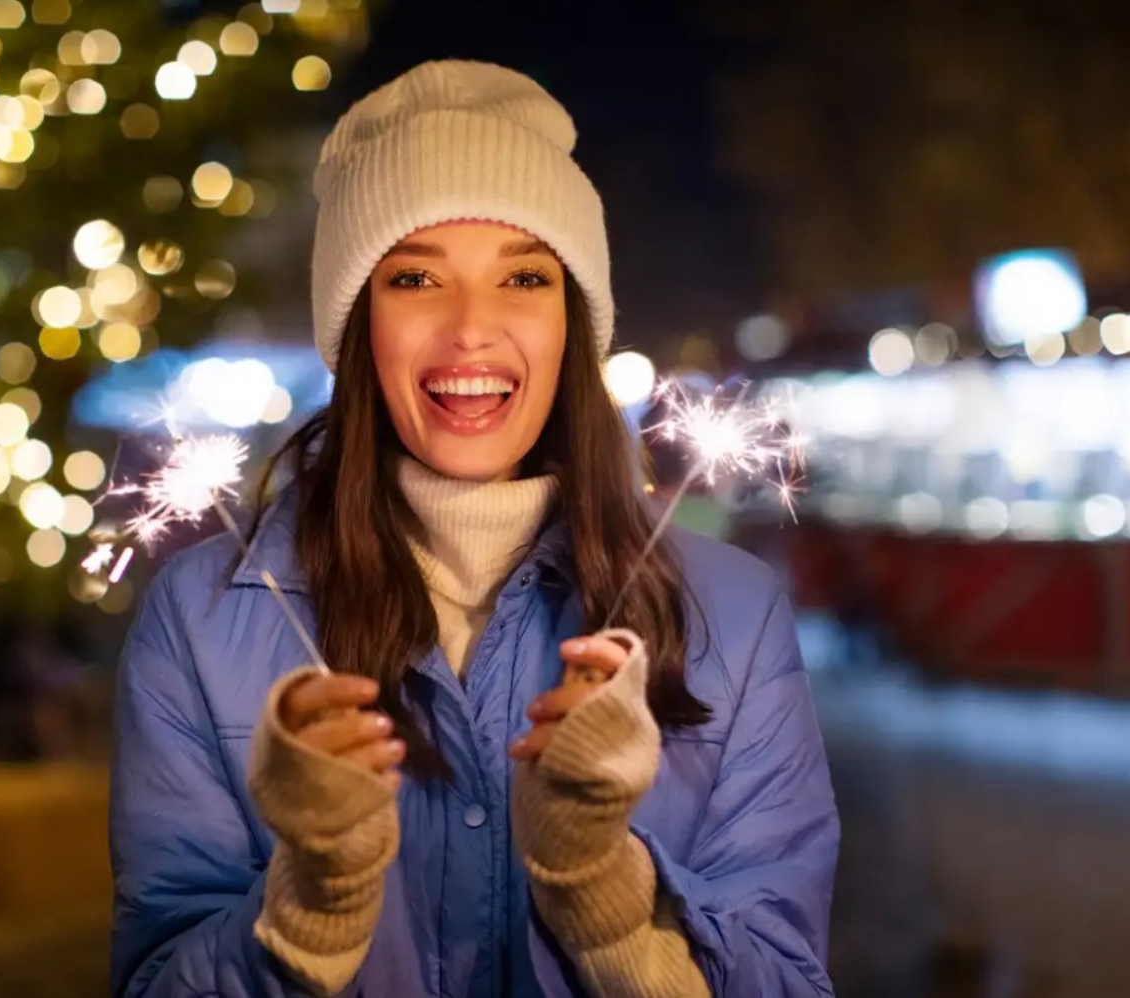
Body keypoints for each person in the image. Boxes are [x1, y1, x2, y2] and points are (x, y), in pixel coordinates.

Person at [109, 60, 838, 998]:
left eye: (523, 277)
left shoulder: (730, 617)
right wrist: (310, 906)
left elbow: (786, 979)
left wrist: (602, 886)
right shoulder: (202, 620)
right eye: (415, 277)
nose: (470, 333)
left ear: (572, 321)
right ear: (357, 322)